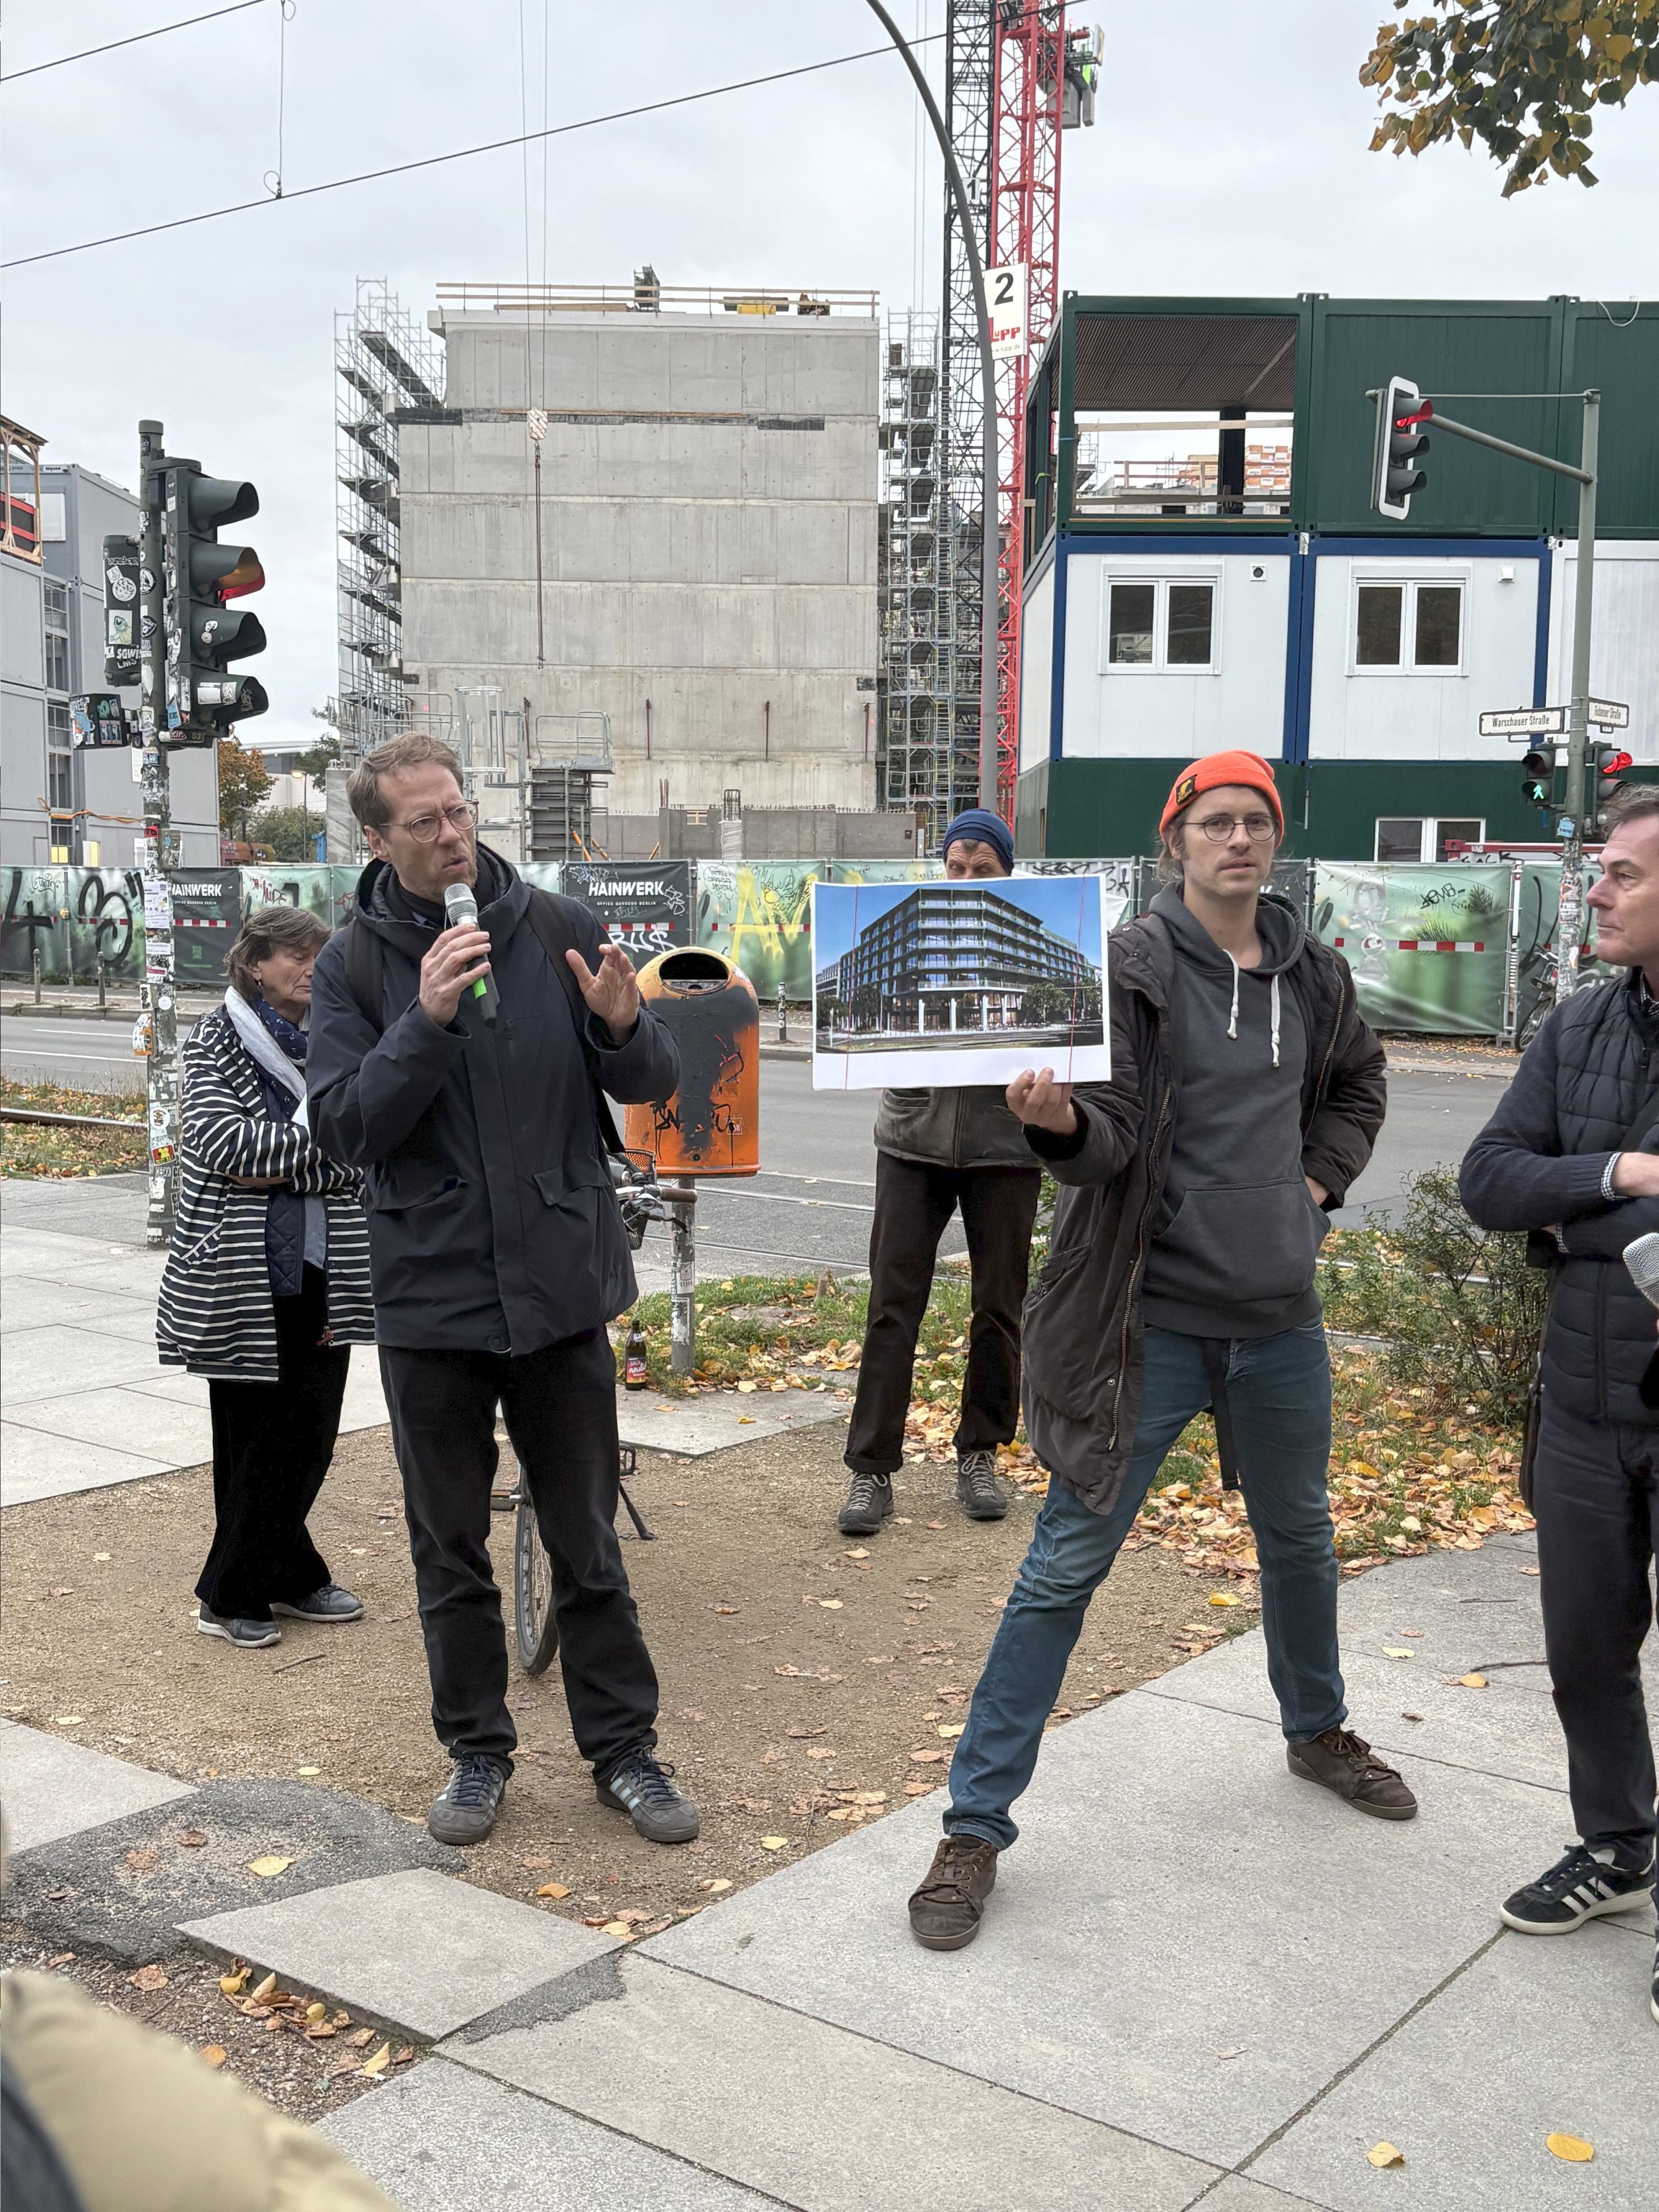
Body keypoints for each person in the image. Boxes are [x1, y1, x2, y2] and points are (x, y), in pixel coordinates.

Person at [906, 751, 1406, 1952]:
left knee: (1301, 1539)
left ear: (1273, 842)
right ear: (1175, 840)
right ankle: (973, 1826)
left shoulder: (1315, 974)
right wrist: (1060, 1122)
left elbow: (1359, 1085)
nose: (1239, 839)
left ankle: (1316, 1726)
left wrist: (1315, 1187)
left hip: (1278, 1318)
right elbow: (1110, 1139)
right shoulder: (1126, 968)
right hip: (1148, 1324)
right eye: (1215, 822)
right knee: (1065, 1567)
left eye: (1256, 821)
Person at [307, 733, 698, 1851]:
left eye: (459, 810)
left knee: (585, 1535)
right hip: (432, 1300)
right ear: (377, 838)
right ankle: (477, 1751)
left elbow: (648, 1083)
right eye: (423, 821)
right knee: (449, 1546)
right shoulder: (353, 966)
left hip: (559, 1283)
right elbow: (343, 1126)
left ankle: (624, 1750)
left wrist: (628, 1026)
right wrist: (420, 1022)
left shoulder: (558, 928)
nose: (451, 833)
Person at [1460, 781, 1659, 2029]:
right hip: (1584, 1405)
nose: (1596, 892)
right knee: (1586, 1650)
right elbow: (1491, 1176)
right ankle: (1621, 1844)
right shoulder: (1581, 1023)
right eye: (1598, 872)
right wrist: (1621, 1175)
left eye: (1622, 875)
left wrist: (1571, 1214)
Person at [158, 905, 374, 1651]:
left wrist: (289, 1168)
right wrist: (324, 1158)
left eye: (319, 954)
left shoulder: (339, 1034)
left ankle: (288, 1570)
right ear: (254, 964)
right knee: (253, 1435)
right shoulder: (219, 1035)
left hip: (325, 1264)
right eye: (293, 956)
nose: (310, 968)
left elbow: (371, 1138)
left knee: (311, 1432)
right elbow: (222, 1143)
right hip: (243, 1271)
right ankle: (230, 1594)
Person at [838, 808, 1044, 1535]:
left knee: (999, 1305)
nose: (963, 880)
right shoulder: (912, 931)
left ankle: (980, 1453)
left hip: (1007, 1149)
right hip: (911, 1140)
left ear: (1006, 877)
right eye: (954, 867)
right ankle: (870, 1470)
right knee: (893, 1303)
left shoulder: (1028, 945)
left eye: (980, 869)